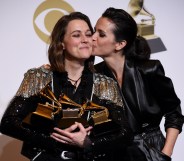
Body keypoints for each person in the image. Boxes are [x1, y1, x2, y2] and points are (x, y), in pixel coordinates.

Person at [0, 11, 131, 161]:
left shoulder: (105, 83)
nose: (85, 40)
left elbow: (125, 135)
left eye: (88, 34)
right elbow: (8, 123)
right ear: (61, 42)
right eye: (76, 35)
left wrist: (88, 143)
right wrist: (52, 140)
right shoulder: (39, 77)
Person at [93, 7, 184, 161]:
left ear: (120, 44)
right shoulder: (94, 75)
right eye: (94, 31)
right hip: (114, 153)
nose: (92, 37)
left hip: (151, 150)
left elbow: (174, 113)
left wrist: (165, 154)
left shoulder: (149, 70)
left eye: (101, 34)